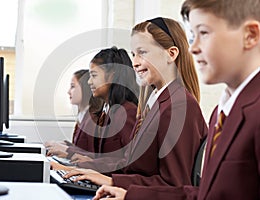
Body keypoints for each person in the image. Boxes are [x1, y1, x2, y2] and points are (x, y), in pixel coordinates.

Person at [93, 0, 260, 199]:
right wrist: (124, 190)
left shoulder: (181, 106)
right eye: (192, 37)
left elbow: (176, 181)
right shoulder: (221, 112)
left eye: (204, 33)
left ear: (250, 35)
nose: (193, 48)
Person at [64, 17, 207, 189]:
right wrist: (91, 169)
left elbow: (175, 186)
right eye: (133, 54)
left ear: (171, 54)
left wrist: (111, 181)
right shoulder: (157, 103)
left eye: (143, 52)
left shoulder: (179, 106)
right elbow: (130, 165)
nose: (135, 62)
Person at [50, 46, 139, 169]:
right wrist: (89, 159)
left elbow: (129, 163)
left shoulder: (127, 112)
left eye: (94, 75)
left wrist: (85, 161)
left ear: (112, 77)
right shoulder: (107, 110)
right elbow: (104, 157)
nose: (89, 82)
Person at [45, 69, 103, 157]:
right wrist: (66, 145)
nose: (68, 92)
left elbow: (92, 156)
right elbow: (81, 148)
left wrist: (65, 149)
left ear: (85, 88)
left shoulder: (92, 119)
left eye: (72, 86)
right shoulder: (83, 116)